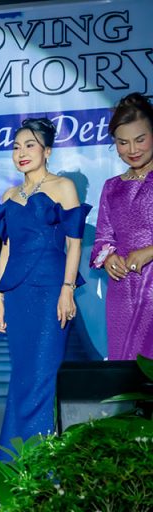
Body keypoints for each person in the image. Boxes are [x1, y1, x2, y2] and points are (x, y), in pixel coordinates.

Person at [0, 118, 91, 454]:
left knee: (43, 376)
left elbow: (74, 244)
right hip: (17, 293)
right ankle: (13, 461)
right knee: (21, 375)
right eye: (16, 147)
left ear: (47, 151)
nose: (21, 152)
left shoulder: (63, 187)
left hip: (51, 290)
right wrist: (0, 297)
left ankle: (42, 465)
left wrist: (67, 289)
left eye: (29, 145)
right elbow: (6, 250)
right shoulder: (9, 195)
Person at [91, 92, 153, 360]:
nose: (132, 149)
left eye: (140, 139)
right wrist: (108, 257)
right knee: (125, 366)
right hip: (122, 290)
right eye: (123, 142)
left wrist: (149, 251)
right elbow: (102, 238)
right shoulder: (112, 187)